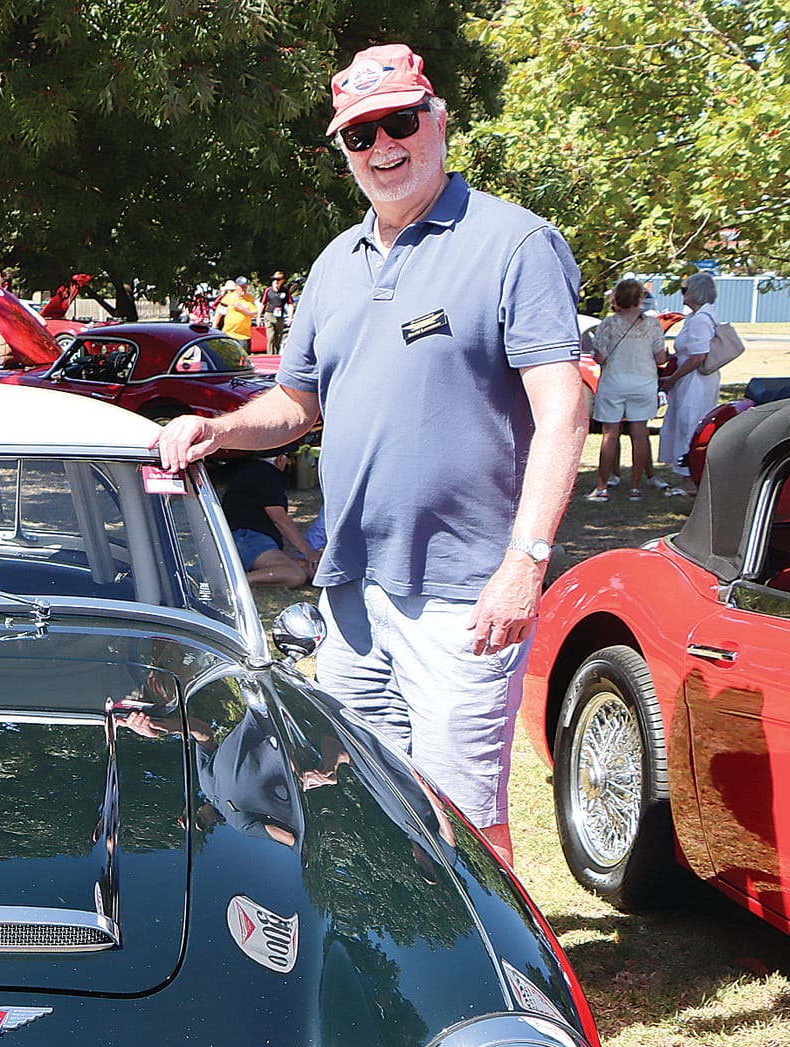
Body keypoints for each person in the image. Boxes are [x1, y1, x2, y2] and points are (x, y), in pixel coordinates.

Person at [154, 43, 586, 865]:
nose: (384, 147)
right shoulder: (334, 264)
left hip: (463, 594)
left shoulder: (513, 244)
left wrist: (525, 562)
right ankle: (400, 969)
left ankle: (501, 981)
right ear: (344, 151)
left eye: (400, 123)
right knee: (358, 796)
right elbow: (297, 404)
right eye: (361, 135)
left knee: (461, 819)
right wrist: (221, 431)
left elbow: (563, 407)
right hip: (351, 593)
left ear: (438, 122)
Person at [586, 278, 669, 501]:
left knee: (609, 434)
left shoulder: (609, 323)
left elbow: (599, 356)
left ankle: (602, 486)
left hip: (614, 381)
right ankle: (636, 487)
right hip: (643, 382)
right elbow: (661, 357)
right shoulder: (652, 325)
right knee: (640, 433)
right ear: (640, 298)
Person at [212, 451, 317, 587]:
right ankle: (231, 582)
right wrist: (308, 552)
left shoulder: (254, 471)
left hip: (246, 537)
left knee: (304, 569)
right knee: (295, 575)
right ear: (280, 459)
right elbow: (279, 518)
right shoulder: (266, 474)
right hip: (247, 537)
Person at [660, 273, 723, 493]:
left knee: (690, 424)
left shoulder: (701, 320)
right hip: (690, 379)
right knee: (686, 423)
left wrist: (672, 378)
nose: (683, 294)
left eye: (685, 290)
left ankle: (690, 479)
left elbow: (698, 356)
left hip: (695, 381)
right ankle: (688, 476)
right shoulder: (696, 317)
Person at [216, 277, 260, 345]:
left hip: (243, 336)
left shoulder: (249, 298)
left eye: (245, 287)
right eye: (241, 287)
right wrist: (214, 327)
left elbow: (255, 314)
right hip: (229, 334)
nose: (243, 289)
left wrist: (242, 309)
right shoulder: (228, 297)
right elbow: (220, 313)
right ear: (236, 286)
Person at [262, 272, 293, 353]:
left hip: (280, 316)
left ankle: (276, 353)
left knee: (278, 336)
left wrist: (290, 317)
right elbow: (262, 303)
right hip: (269, 314)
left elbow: (290, 304)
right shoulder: (268, 290)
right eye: (274, 280)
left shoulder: (285, 291)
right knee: (270, 336)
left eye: (278, 280)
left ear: (282, 281)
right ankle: (270, 354)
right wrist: (258, 316)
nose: (276, 281)